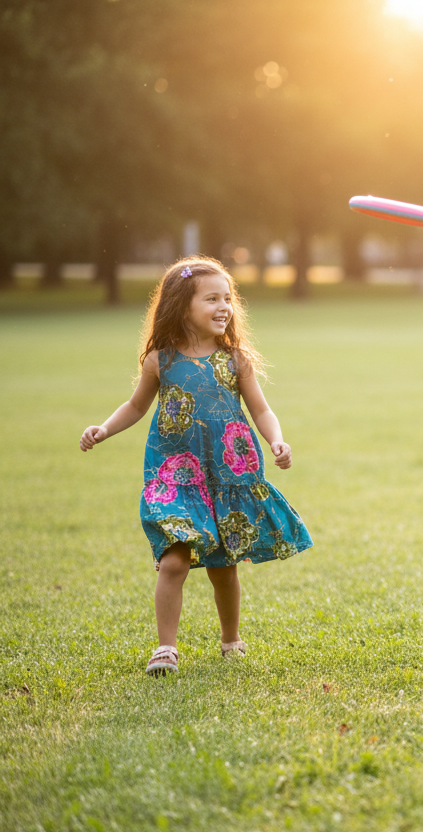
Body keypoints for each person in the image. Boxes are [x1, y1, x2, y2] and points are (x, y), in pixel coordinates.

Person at [80, 257, 312, 675]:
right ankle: (166, 649)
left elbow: (261, 410)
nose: (224, 306)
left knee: (224, 567)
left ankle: (230, 639)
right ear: (182, 305)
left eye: (227, 298)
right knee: (173, 560)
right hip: (175, 475)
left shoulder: (235, 359)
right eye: (211, 299)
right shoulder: (160, 360)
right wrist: (104, 428)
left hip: (228, 474)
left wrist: (276, 439)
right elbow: (135, 406)